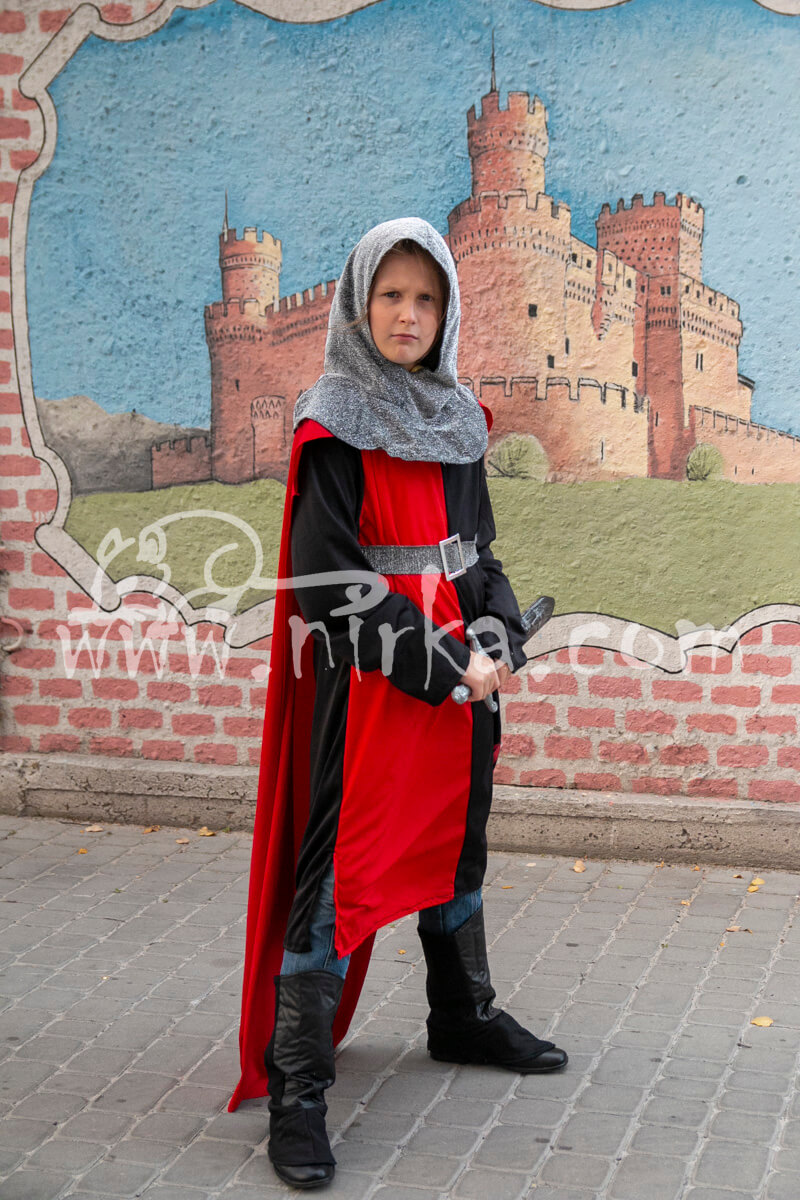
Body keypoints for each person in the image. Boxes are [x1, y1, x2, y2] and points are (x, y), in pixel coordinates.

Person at [229, 217, 567, 1190]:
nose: (409, 314)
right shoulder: (331, 424)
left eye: (426, 298)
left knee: (457, 845)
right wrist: (443, 664)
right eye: (391, 295)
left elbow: (476, 556)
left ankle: (460, 1016)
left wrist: (495, 634)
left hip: (460, 684)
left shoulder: (459, 419)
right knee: (341, 876)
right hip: (375, 692)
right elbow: (330, 585)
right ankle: (298, 1090)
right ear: (359, 303)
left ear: (446, 310)